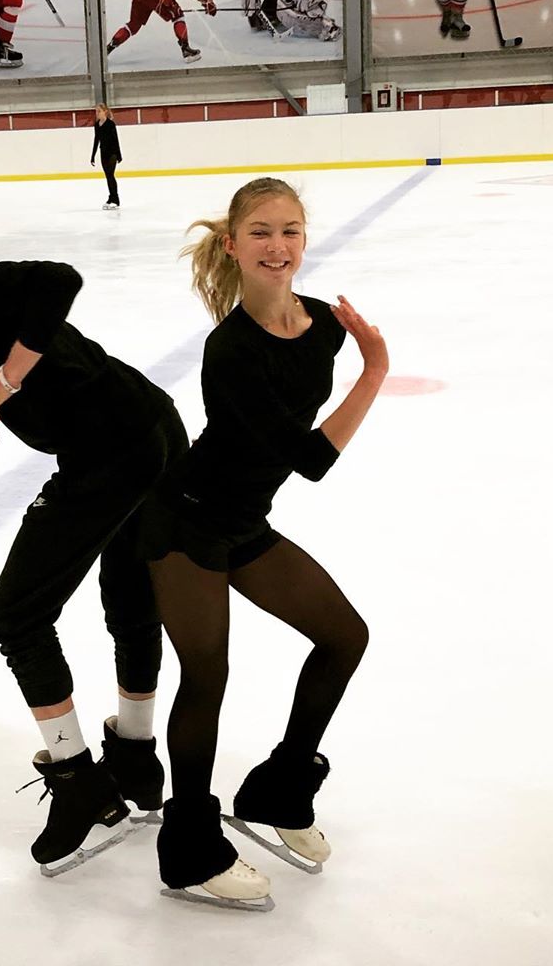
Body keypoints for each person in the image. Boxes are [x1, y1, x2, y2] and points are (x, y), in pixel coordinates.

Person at [0, 147, 188, 875]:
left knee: (17, 614)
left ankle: (80, 782)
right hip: (149, 425)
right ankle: (136, 756)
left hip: (112, 448)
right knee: (129, 596)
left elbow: (61, 279)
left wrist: (8, 375)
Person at [142, 177, 387, 909]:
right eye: (260, 232)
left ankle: (279, 790)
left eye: (290, 231)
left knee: (344, 636)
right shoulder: (230, 350)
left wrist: (360, 356)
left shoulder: (325, 323)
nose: (277, 246)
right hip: (185, 523)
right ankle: (189, 848)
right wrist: (376, 371)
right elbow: (310, 460)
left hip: (244, 521)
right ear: (232, 245)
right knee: (207, 675)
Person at [90, 104, 122, 210]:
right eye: (96, 111)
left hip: (112, 153)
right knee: (108, 176)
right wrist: (93, 155)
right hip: (103, 153)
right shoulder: (97, 125)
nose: (97, 113)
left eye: (99, 111)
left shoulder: (110, 124)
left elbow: (115, 139)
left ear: (105, 111)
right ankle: (112, 197)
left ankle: (115, 199)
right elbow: (96, 140)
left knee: (110, 175)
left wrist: (119, 155)